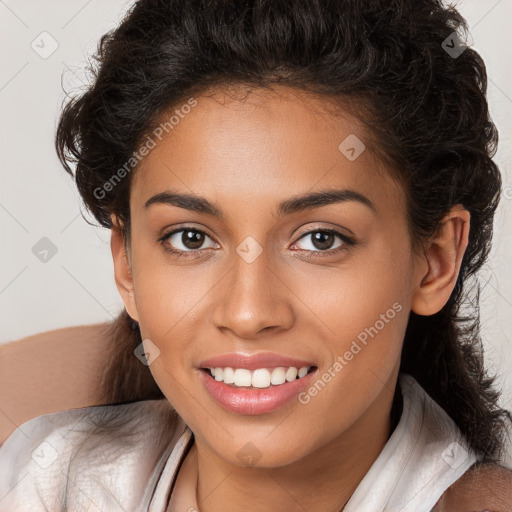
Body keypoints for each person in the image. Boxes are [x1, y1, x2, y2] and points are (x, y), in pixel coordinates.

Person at [1, 0, 512, 510]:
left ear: (435, 261)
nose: (248, 314)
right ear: (127, 265)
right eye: (191, 238)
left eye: (320, 239)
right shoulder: (48, 480)